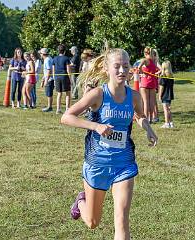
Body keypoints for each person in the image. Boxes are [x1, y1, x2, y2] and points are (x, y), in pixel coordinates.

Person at [61, 47, 158, 239]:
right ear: (106, 69)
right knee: (92, 222)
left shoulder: (134, 96)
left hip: (124, 164)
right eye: (117, 66)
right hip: (97, 164)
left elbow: (139, 116)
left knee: (122, 221)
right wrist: (95, 126)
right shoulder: (98, 95)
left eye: (125, 66)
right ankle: (81, 202)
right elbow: (66, 117)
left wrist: (148, 129)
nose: (122, 70)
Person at [138, 47, 160, 123]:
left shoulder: (145, 60)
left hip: (145, 82)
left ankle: (146, 119)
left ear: (145, 53)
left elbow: (138, 67)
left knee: (145, 102)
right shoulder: (154, 61)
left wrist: (143, 73)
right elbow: (159, 70)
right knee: (152, 102)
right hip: (152, 82)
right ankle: (150, 118)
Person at [52, 44, 71, 114]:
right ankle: (67, 109)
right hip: (64, 76)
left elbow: (53, 70)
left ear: (58, 51)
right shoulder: (66, 58)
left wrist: (54, 78)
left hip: (57, 76)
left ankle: (58, 109)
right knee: (68, 93)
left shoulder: (54, 58)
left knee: (59, 93)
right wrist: (70, 79)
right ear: (64, 51)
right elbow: (68, 70)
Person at [159, 60, 174, 128]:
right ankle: (171, 123)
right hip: (170, 95)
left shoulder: (163, 77)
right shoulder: (171, 77)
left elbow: (161, 87)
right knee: (169, 109)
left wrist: (159, 95)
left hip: (165, 95)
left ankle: (166, 123)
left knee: (165, 109)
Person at [40, 48, 54, 112]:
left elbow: (49, 70)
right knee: (48, 93)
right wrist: (43, 78)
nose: (40, 54)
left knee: (49, 94)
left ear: (43, 54)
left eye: (40, 53)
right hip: (49, 78)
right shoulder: (48, 58)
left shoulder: (47, 60)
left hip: (49, 79)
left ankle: (49, 107)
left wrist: (46, 80)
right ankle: (49, 106)